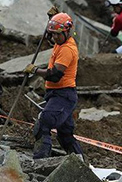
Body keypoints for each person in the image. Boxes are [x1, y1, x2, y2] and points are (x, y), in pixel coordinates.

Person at [23, 12, 83, 159]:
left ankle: (40, 161)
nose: (54, 37)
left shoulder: (67, 49)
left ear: (67, 32)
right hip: (56, 94)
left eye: (57, 34)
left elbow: (55, 75)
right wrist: (52, 17)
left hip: (63, 95)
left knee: (43, 124)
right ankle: (81, 163)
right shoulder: (60, 41)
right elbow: (50, 35)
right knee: (65, 135)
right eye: (53, 34)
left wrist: (35, 70)